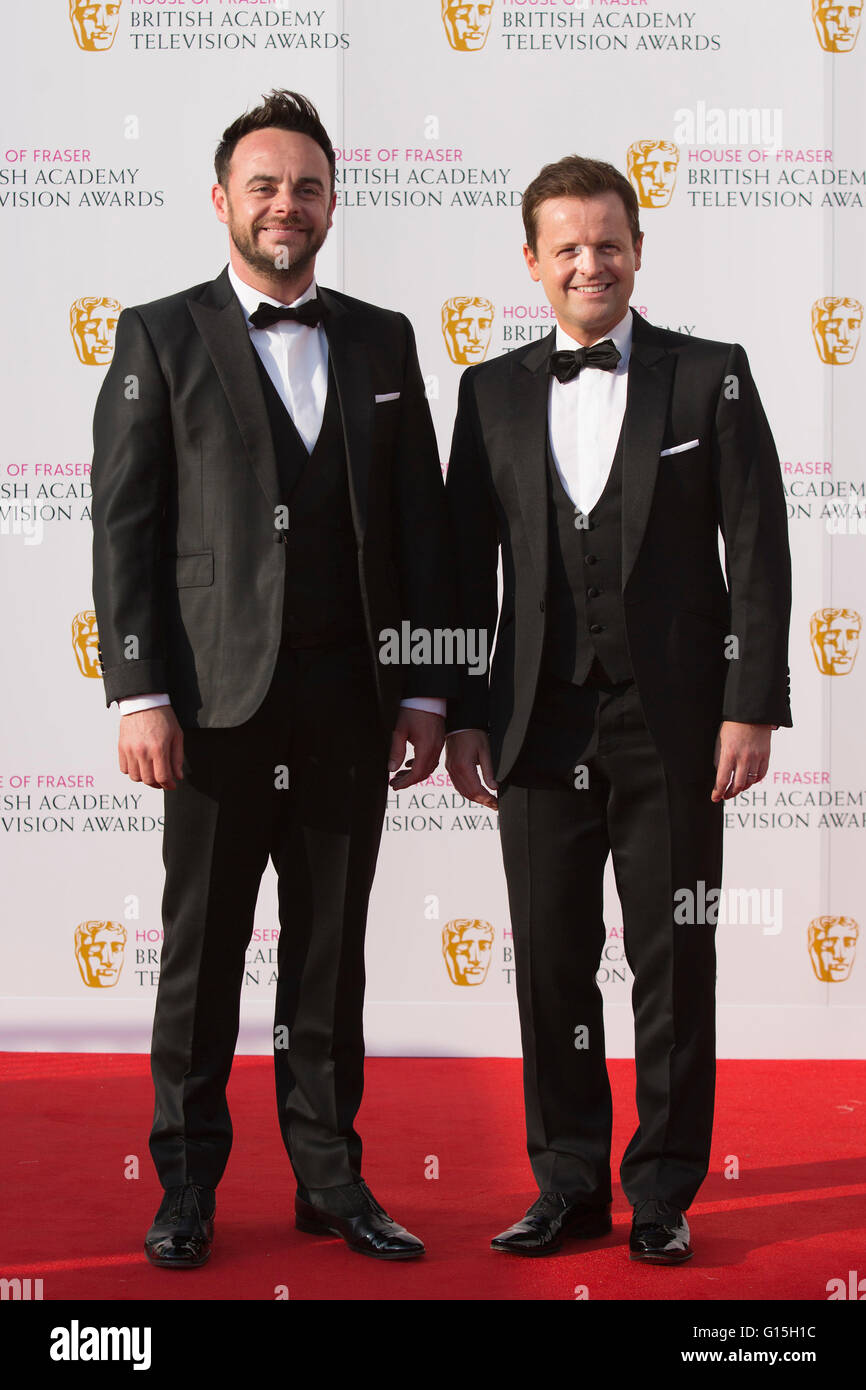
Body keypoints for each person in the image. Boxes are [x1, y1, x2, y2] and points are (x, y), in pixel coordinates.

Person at [91, 89, 454, 1267]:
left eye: (305, 185)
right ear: (221, 202)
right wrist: (136, 693)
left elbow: (420, 532)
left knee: (328, 952)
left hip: (350, 703)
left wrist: (427, 689)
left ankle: (329, 1180)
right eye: (263, 185)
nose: (285, 204)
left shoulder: (382, 338)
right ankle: (186, 1184)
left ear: (332, 201)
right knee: (200, 958)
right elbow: (126, 529)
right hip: (211, 710)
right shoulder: (157, 334)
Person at [445, 154, 791, 1263]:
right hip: (536, 725)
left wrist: (750, 707)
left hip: (677, 727)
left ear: (636, 250)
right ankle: (565, 1185)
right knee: (550, 962)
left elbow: (762, 551)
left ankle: (662, 1194)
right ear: (533, 263)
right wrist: (459, 709)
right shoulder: (489, 390)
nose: (589, 262)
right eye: (567, 247)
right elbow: (460, 568)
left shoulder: (710, 376)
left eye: (608, 242)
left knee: (673, 957)